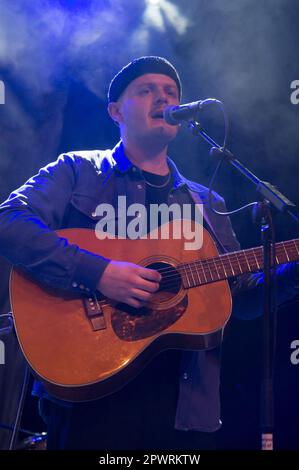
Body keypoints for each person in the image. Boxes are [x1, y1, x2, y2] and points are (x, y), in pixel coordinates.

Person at [0, 56, 298, 450]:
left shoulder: (207, 202)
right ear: (115, 111)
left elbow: (239, 296)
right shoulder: (76, 171)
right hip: (87, 391)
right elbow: (9, 222)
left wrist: (293, 272)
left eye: (171, 92)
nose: (163, 97)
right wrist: (99, 272)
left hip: (183, 404)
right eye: (147, 90)